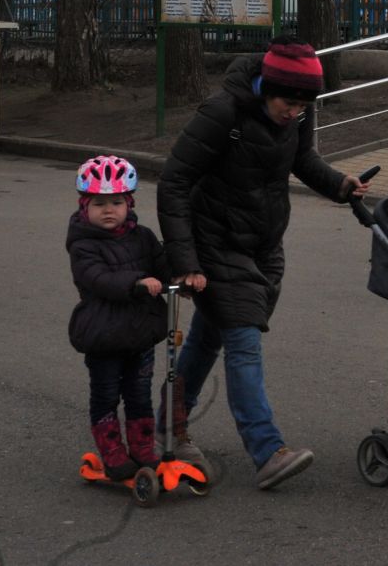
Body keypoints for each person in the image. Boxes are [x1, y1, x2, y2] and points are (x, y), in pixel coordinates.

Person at [156, 38, 372, 491]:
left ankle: (166, 422)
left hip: (263, 244)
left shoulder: (299, 111)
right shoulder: (224, 113)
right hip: (214, 240)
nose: (294, 112)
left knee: (208, 338)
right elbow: (174, 182)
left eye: (302, 105)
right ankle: (267, 449)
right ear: (265, 88)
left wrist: (339, 185)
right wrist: (185, 261)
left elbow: (302, 158)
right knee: (243, 339)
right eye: (287, 103)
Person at [66, 154, 169, 481]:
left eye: (115, 202)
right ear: (85, 207)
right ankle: (112, 452)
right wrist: (136, 283)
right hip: (104, 335)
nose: (108, 210)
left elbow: (162, 264)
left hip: (139, 333)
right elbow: (96, 278)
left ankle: (142, 448)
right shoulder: (83, 244)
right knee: (107, 394)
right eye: (99, 203)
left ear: (129, 203)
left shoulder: (143, 236)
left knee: (140, 394)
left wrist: (187, 273)